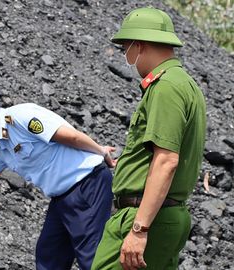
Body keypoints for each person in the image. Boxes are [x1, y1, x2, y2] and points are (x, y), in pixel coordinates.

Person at [0, 91, 116, 270]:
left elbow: (71, 136)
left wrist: (101, 152)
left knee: (91, 256)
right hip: (62, 197)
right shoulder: (1, 148)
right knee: (49, 255)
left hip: (87, 183)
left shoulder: (22, 117)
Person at [91, 7, 206, 270]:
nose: (126, 56)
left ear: (139, 45)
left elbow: (166, 160)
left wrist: (139, 229)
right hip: (163, 215)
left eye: (125, 48)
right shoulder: (185, 84)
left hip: (146, 217)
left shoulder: (166, 87)